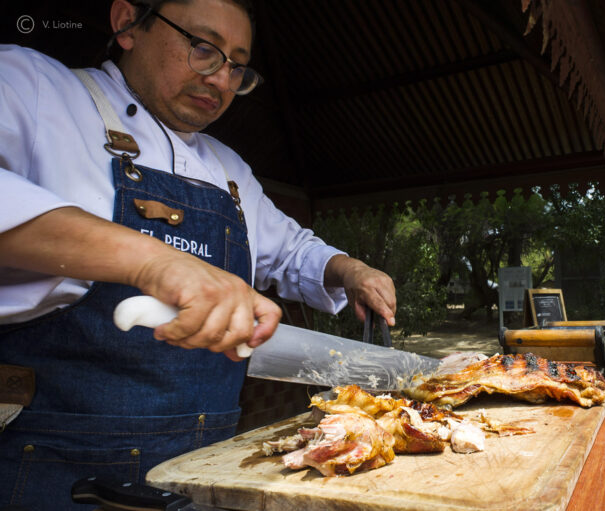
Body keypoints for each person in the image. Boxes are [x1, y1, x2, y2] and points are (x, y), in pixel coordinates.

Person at [0, 0, 396, 508]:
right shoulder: (33, 87)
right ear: (128, 24)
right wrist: (153, 260)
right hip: (57, 469)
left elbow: (292, 249)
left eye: (237, 66)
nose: (221, 79)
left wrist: (352, 270)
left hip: (205, 468)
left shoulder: (228, 169)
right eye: (204, 48)